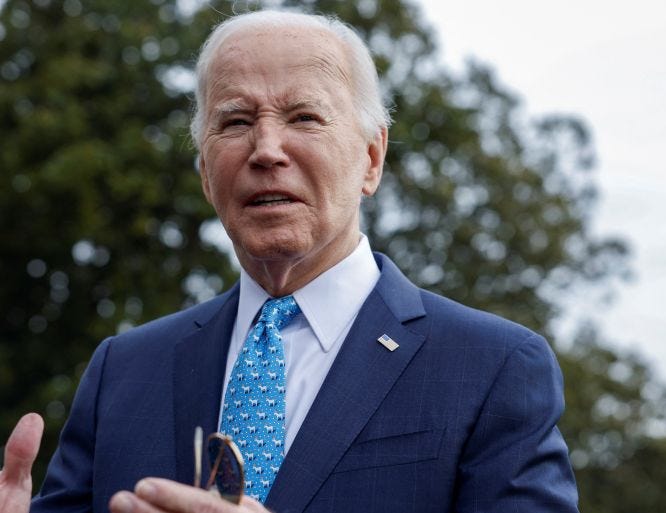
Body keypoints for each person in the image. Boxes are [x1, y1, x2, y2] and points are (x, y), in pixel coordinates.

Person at [0, 10, 580, 513]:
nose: (267, 150)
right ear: (205, 172)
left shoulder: (490, 367)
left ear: (371, 159)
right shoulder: (122, 372)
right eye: (235, 122)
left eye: (304, 117)